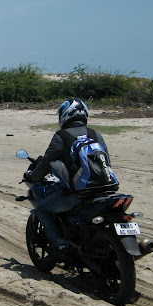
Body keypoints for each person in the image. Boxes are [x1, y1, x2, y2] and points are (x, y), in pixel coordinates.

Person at [23, 98, 112, 253]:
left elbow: (46, 163)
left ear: (65, 115)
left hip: (81, 193)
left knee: (42, 209)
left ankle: (60, 244)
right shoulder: (96, 135)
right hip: (107, 189)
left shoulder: (62, 136)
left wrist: (33, 177)